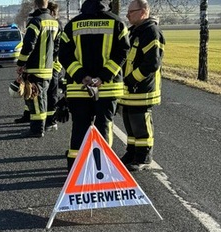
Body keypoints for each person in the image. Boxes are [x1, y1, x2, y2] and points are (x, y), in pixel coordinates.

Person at [59, 0, 130, 169]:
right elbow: (123, 52)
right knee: (104, 127)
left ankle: (76, 169)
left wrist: (82, 76)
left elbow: (64, 55)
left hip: (79, 88)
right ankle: (103, 169)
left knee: (79, 128)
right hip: (107, 87)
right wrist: (102, 77)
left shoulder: (72, 24)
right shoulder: (117, 23)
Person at [118, 0, 164, 171]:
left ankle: (144, 157)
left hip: (142, 89)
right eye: (128, 12)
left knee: (141, 125)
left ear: (144, 11)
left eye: (132, 11)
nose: (128, 15)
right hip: (130, 90)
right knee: (130, 124)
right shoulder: (134, 31)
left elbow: (152, 63)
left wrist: (131, 80)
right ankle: (131, 153)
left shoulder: (151, 32)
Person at [17, 0, 59, 138]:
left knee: (35, 100)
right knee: (42, 98)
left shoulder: (36, 21)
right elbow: (57, 46)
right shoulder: (54, 22)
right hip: (48, 69)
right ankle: (42, 126)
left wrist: (21, 63)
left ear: (35, 4)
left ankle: (36, 129)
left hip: (35, 68)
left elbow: (28, 45)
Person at [44, 2, 64, 132]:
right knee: (49, 92)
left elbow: (58, 46)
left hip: (55, 65)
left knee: (52, 93)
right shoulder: (55, 24)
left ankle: (52, 121)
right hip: (51, 64)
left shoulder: (58, 25)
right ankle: (48, 119)